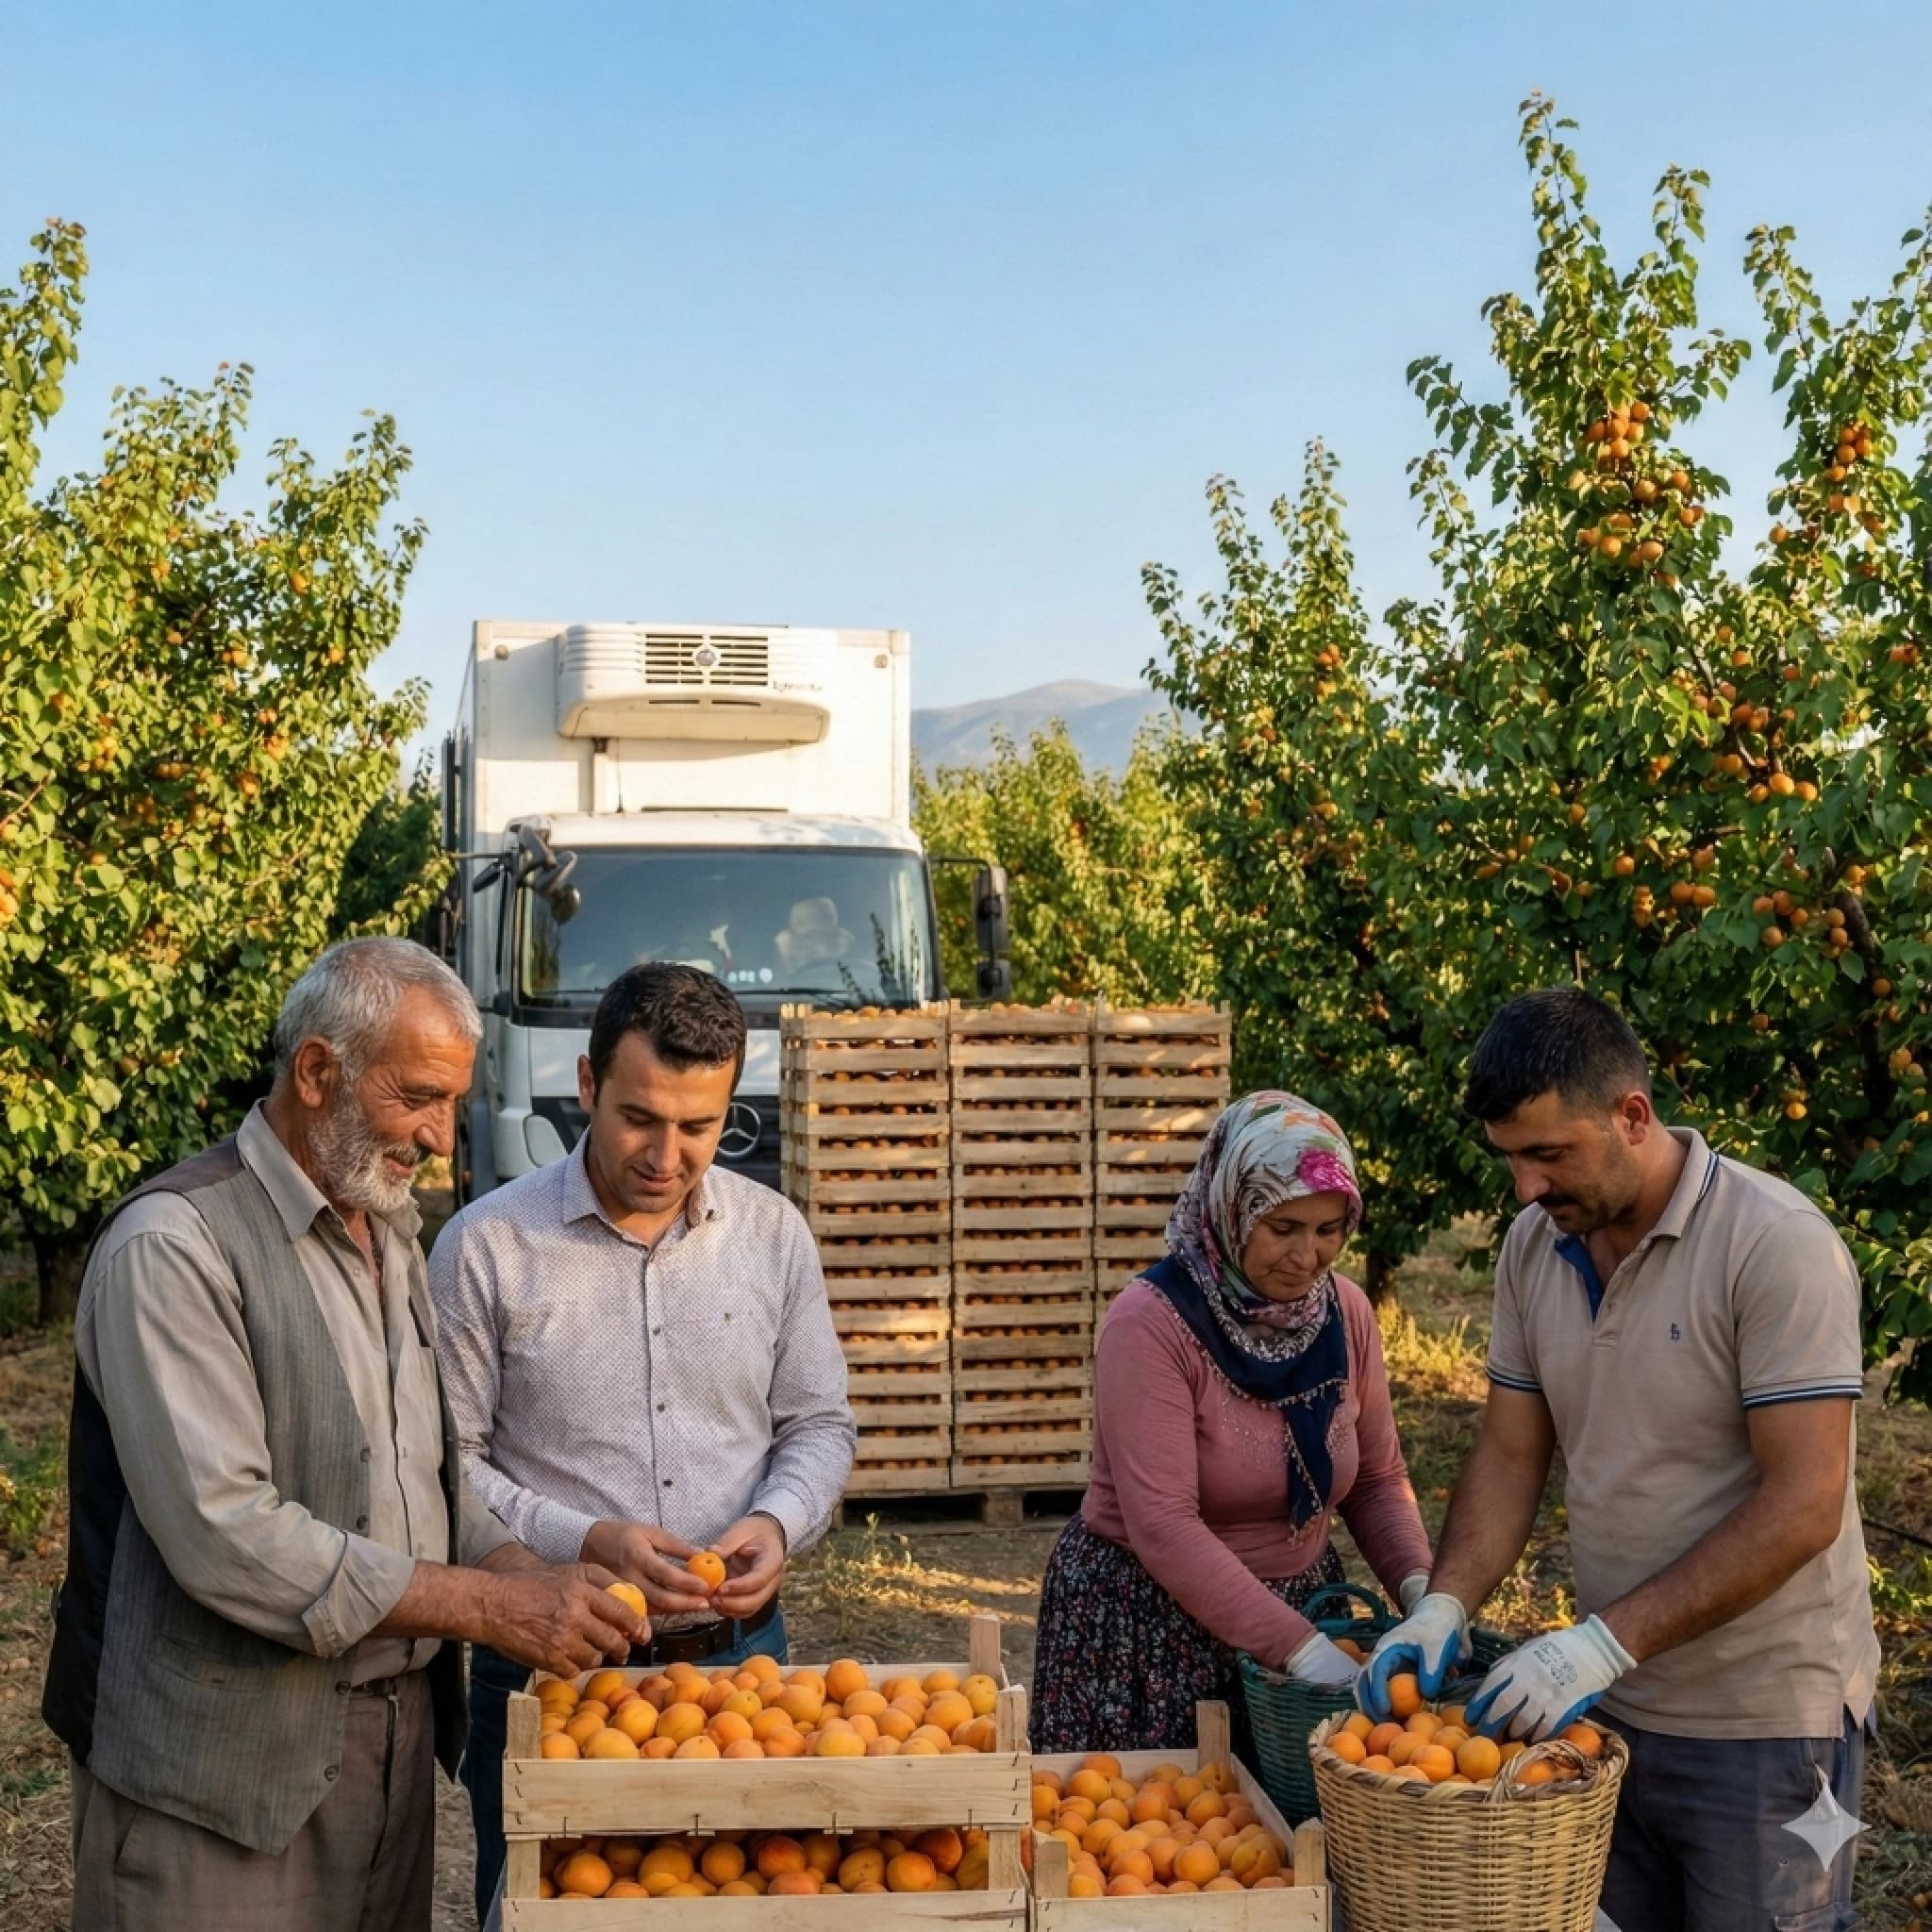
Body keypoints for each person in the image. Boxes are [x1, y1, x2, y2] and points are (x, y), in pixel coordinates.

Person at [42, 938, 646, 1932]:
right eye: (417, 1095)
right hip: (214, 1776)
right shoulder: (175, 1244)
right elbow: (226, 1531)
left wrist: (527, 1567)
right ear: (318, 1070)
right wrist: (484, 1604)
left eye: (454, 1100)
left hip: (385, 1749)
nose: (443, 1137)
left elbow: (419, 1470)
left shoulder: (387, 1231)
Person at [1360, 989, 1879, 1931]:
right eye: (1509, 1157)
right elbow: (1511, 1452)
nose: (1523, 1186)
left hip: (1763, 1720)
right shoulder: (1534, 1246)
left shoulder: (1772, 1244)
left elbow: (1804, 1499)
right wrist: (1444, 1601)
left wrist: (1599, 1640)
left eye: (1546, 1153)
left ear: (1630, 1115)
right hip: (1609, 1713)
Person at [430, 961, 856, 1921]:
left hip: (742, 1668)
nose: (667, 1153)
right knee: (554, 1909)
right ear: (586, 1085)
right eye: (638, 1117)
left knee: (743, 1906)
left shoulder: (774, 1235)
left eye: (698, 1126)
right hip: (552, 1665)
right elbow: (443, 1465)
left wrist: (775, 1523)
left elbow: (817, 1423)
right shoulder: (484, 1247)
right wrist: (585, 1538)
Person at [1029, 1091, 1435, 1752]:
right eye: (1283, 1228)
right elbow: (1162, 1524)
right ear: (1233, 1210)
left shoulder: (1346, 1315)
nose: (1308, 1256)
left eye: (1329, 1230)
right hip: (1148, 1626)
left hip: (1304, 1608)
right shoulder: (1152, 1324)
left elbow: (1377, 1478)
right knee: (1159, 1837)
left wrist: (1425, 1595)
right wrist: (1301, 1652)